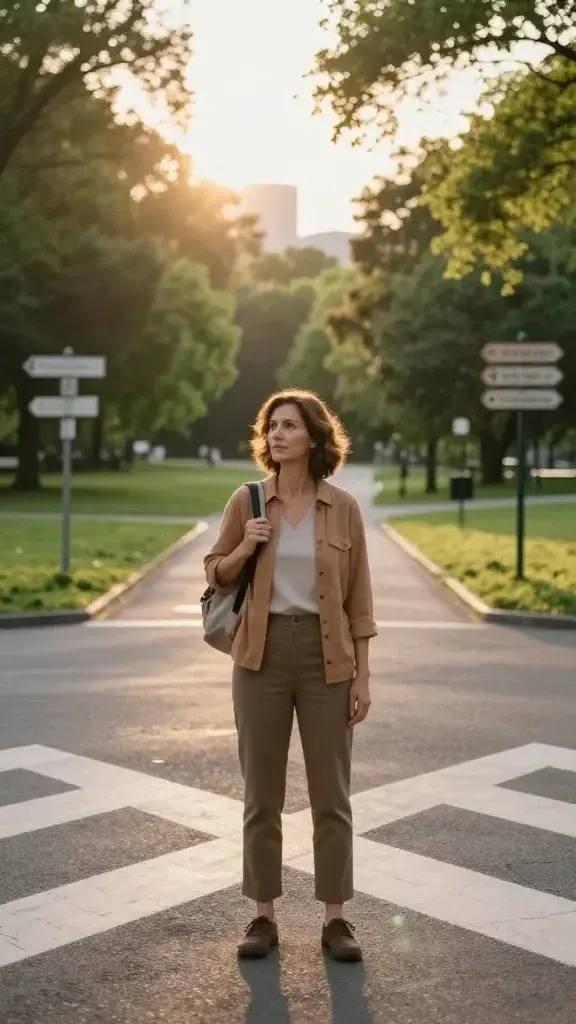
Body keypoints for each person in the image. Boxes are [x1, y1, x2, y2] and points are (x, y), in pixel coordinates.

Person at [204, 389, 377, 962]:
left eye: (289, 426)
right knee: (262, 794)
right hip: (261, 655)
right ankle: (263, 915)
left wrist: (363, 676)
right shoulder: (248, 501)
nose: (277, 435)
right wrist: (243, 550)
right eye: (271, 426)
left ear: (314, 438)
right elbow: (215, 573)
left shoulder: (343, 507)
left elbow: (359, 599)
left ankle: (335, 919)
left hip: (330, 660)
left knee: (333, 796)